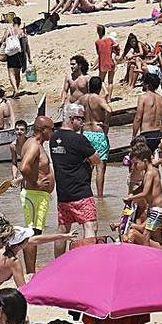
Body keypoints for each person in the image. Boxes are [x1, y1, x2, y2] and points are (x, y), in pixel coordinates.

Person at [50, 103, 100, 256]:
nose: (83, 123)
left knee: (63, 229)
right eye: (81, 119)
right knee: (90, 225)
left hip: (63, 193)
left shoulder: (53, 138)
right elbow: (96, 159)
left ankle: (58, 263)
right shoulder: (79, 140)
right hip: (81, 192)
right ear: (72, 119)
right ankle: (88, 259)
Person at [124, 145, 162, 258]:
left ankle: (148, 257)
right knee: (158, 237)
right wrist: (132, 192)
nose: (135, 167)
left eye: (136, 163)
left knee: (146, 235)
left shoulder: (151, 172)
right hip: (153, 209)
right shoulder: (147, 172)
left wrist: (131, 198)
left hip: (157, 210)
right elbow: (141, 187)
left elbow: (145, 193)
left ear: (145, 161)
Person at [18, 116, 55, 273]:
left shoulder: (35, 143)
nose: (52, 133)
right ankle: (30, 272)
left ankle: (31, 271)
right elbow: (24, 167)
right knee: (32, 234)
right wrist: (36, 183)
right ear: (43, 129)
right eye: (51, 129)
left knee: (34, 233)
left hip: (37, 196)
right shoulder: (34, 145)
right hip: (34, 195)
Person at [79, 76, 112, 198]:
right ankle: (100, 196)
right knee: (100, 167)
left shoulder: (82, 99)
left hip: (85, 133)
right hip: (98, 132)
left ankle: (86, 194)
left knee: (87, 166)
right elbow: (109, 110)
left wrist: (80, 122)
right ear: (99, 88)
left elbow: (72, 110)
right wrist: (106, 124)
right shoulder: (99, 99)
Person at [133, 72, 162, 152]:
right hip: (160, 133)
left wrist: (134, 135)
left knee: (145, 160)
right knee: (157, 160)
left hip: (147, 133)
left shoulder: (143, 97)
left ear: (147, 85)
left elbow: (138, 118)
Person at [1, 16, 25, 98]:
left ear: (13, 23)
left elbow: (3, 40)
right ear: (19, 23)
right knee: (17, 74)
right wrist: (28, 56)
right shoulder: (21, 32)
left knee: (11, 73)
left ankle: (16, 90)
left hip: (11, 54)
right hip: (19, 54)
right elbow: (25, 44)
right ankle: (15, 91)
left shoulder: (9, 30)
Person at [93, 25, 118, 101]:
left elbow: (99, 54)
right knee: (110, 81)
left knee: (101, 80)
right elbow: (116, 46)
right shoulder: (110, 40)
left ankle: (105, 92)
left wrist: (95, 65)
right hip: (111, 61)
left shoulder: (97, 42)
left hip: (103, 62)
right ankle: (109, 99)